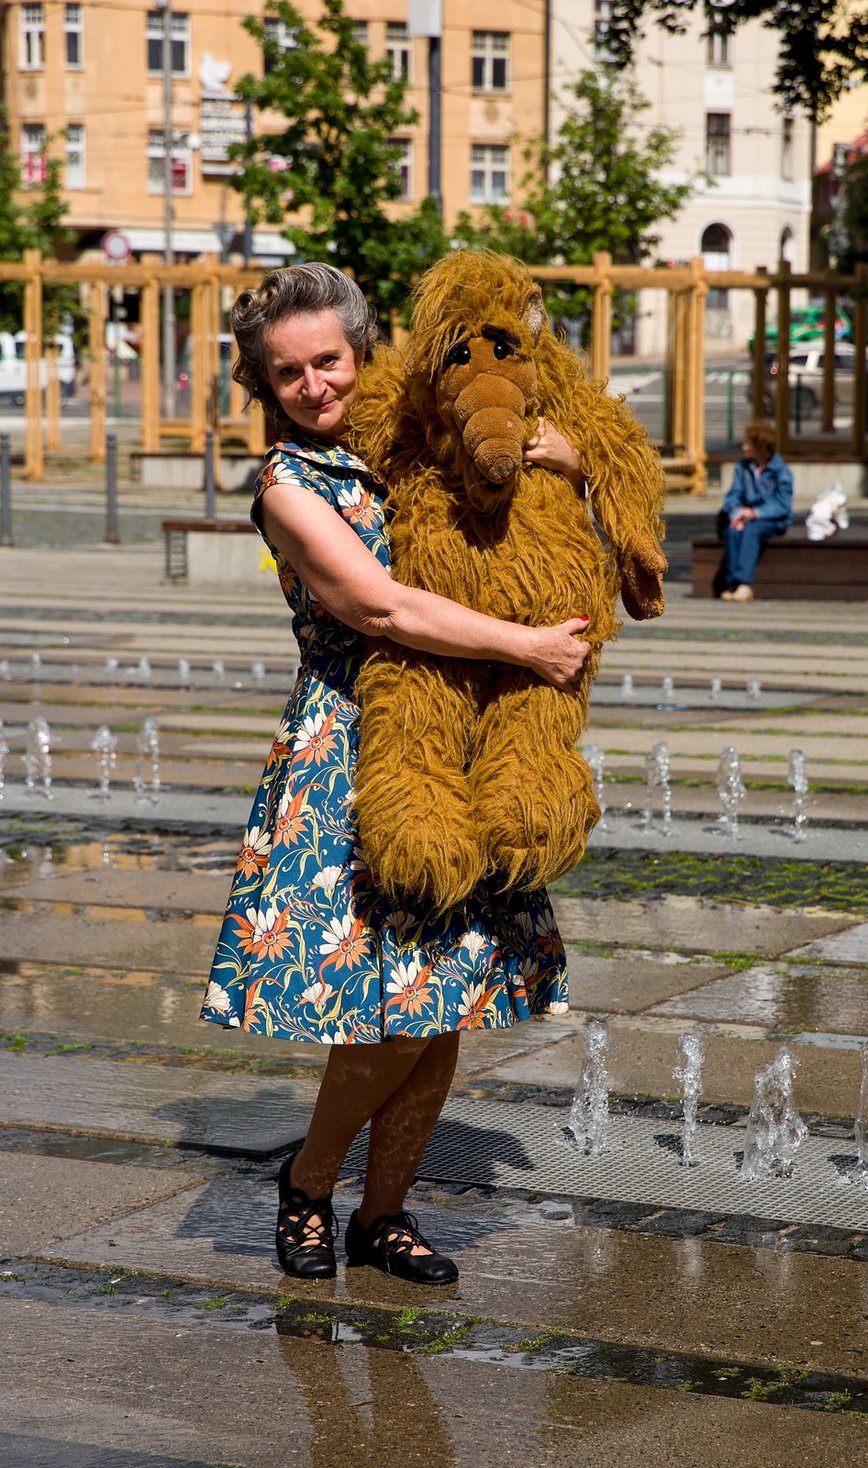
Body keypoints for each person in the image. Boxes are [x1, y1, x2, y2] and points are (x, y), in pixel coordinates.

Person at [199, 262, 590, 1287]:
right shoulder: (289, 488)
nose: (316, 385)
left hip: (463, 736)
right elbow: (378, 608)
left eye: (328, 360)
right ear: (266, 386)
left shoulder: (410, 436)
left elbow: (526, 444)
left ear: (363, 352)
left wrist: (569, 453)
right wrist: (527, 646)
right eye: (290, 373)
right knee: (385, 1010)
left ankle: (384, 1212)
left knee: (445, 1000)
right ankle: (310, 1178)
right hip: (356, 754)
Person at [717, 421, 793, 602]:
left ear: (760, 447)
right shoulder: (742, 468)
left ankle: (744, 583)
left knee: (752, 530)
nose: (744, 447)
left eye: (748, 443)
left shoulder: (780, 471)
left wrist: (755, 513)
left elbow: (782, 504)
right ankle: (732, 583)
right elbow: (733, 496)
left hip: (772, 519)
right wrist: (737, 513)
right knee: (733, 530)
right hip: (746, 516)